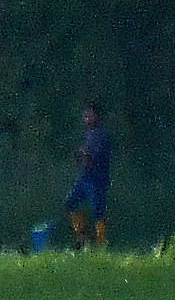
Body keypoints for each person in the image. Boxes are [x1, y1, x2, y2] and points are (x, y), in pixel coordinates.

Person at [61, 103, 112, 249]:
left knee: (99, 211)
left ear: (97, 116)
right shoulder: (88, 134)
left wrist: (85, 154)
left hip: (97, 179)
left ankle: (100, 245)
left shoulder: (102, 135)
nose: (86, 118)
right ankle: (81, 238)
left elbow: (97, 156)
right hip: (85, 177)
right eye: (85, 115)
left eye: (89, 115)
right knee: (71, 202)